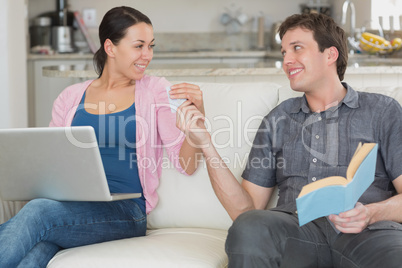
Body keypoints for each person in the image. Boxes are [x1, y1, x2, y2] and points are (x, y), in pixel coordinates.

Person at [181, 13, 402, 267]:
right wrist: (206, 144)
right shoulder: (279, 118)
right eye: (284, 52)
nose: (287, 60)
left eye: (297, 48)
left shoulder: (383, 111)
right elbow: (245, 211)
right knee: (249, 227)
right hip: (298, 232)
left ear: (330, 55)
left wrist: (371, 214)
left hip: (369, 234)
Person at [0, 6, 204, 267]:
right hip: (69, 206)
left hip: (126, 211)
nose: (147, 55)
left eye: (151, 46)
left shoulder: (157, 92)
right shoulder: (70, 97)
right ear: (110, 47)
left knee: (39, 212)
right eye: (139, 46)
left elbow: (187, 165)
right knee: (38, 247)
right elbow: (51, 163)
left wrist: (198, 118)